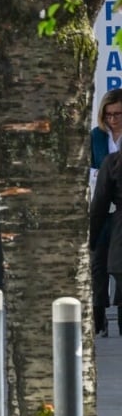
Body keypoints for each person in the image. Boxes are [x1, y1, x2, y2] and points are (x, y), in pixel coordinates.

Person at [90, 89, 122, 337]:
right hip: (101, 203)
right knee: (98, 260)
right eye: (109, 114)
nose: (113, 119)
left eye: (118, 114)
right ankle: (98, 315)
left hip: (117, 206)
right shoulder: (96, 137)